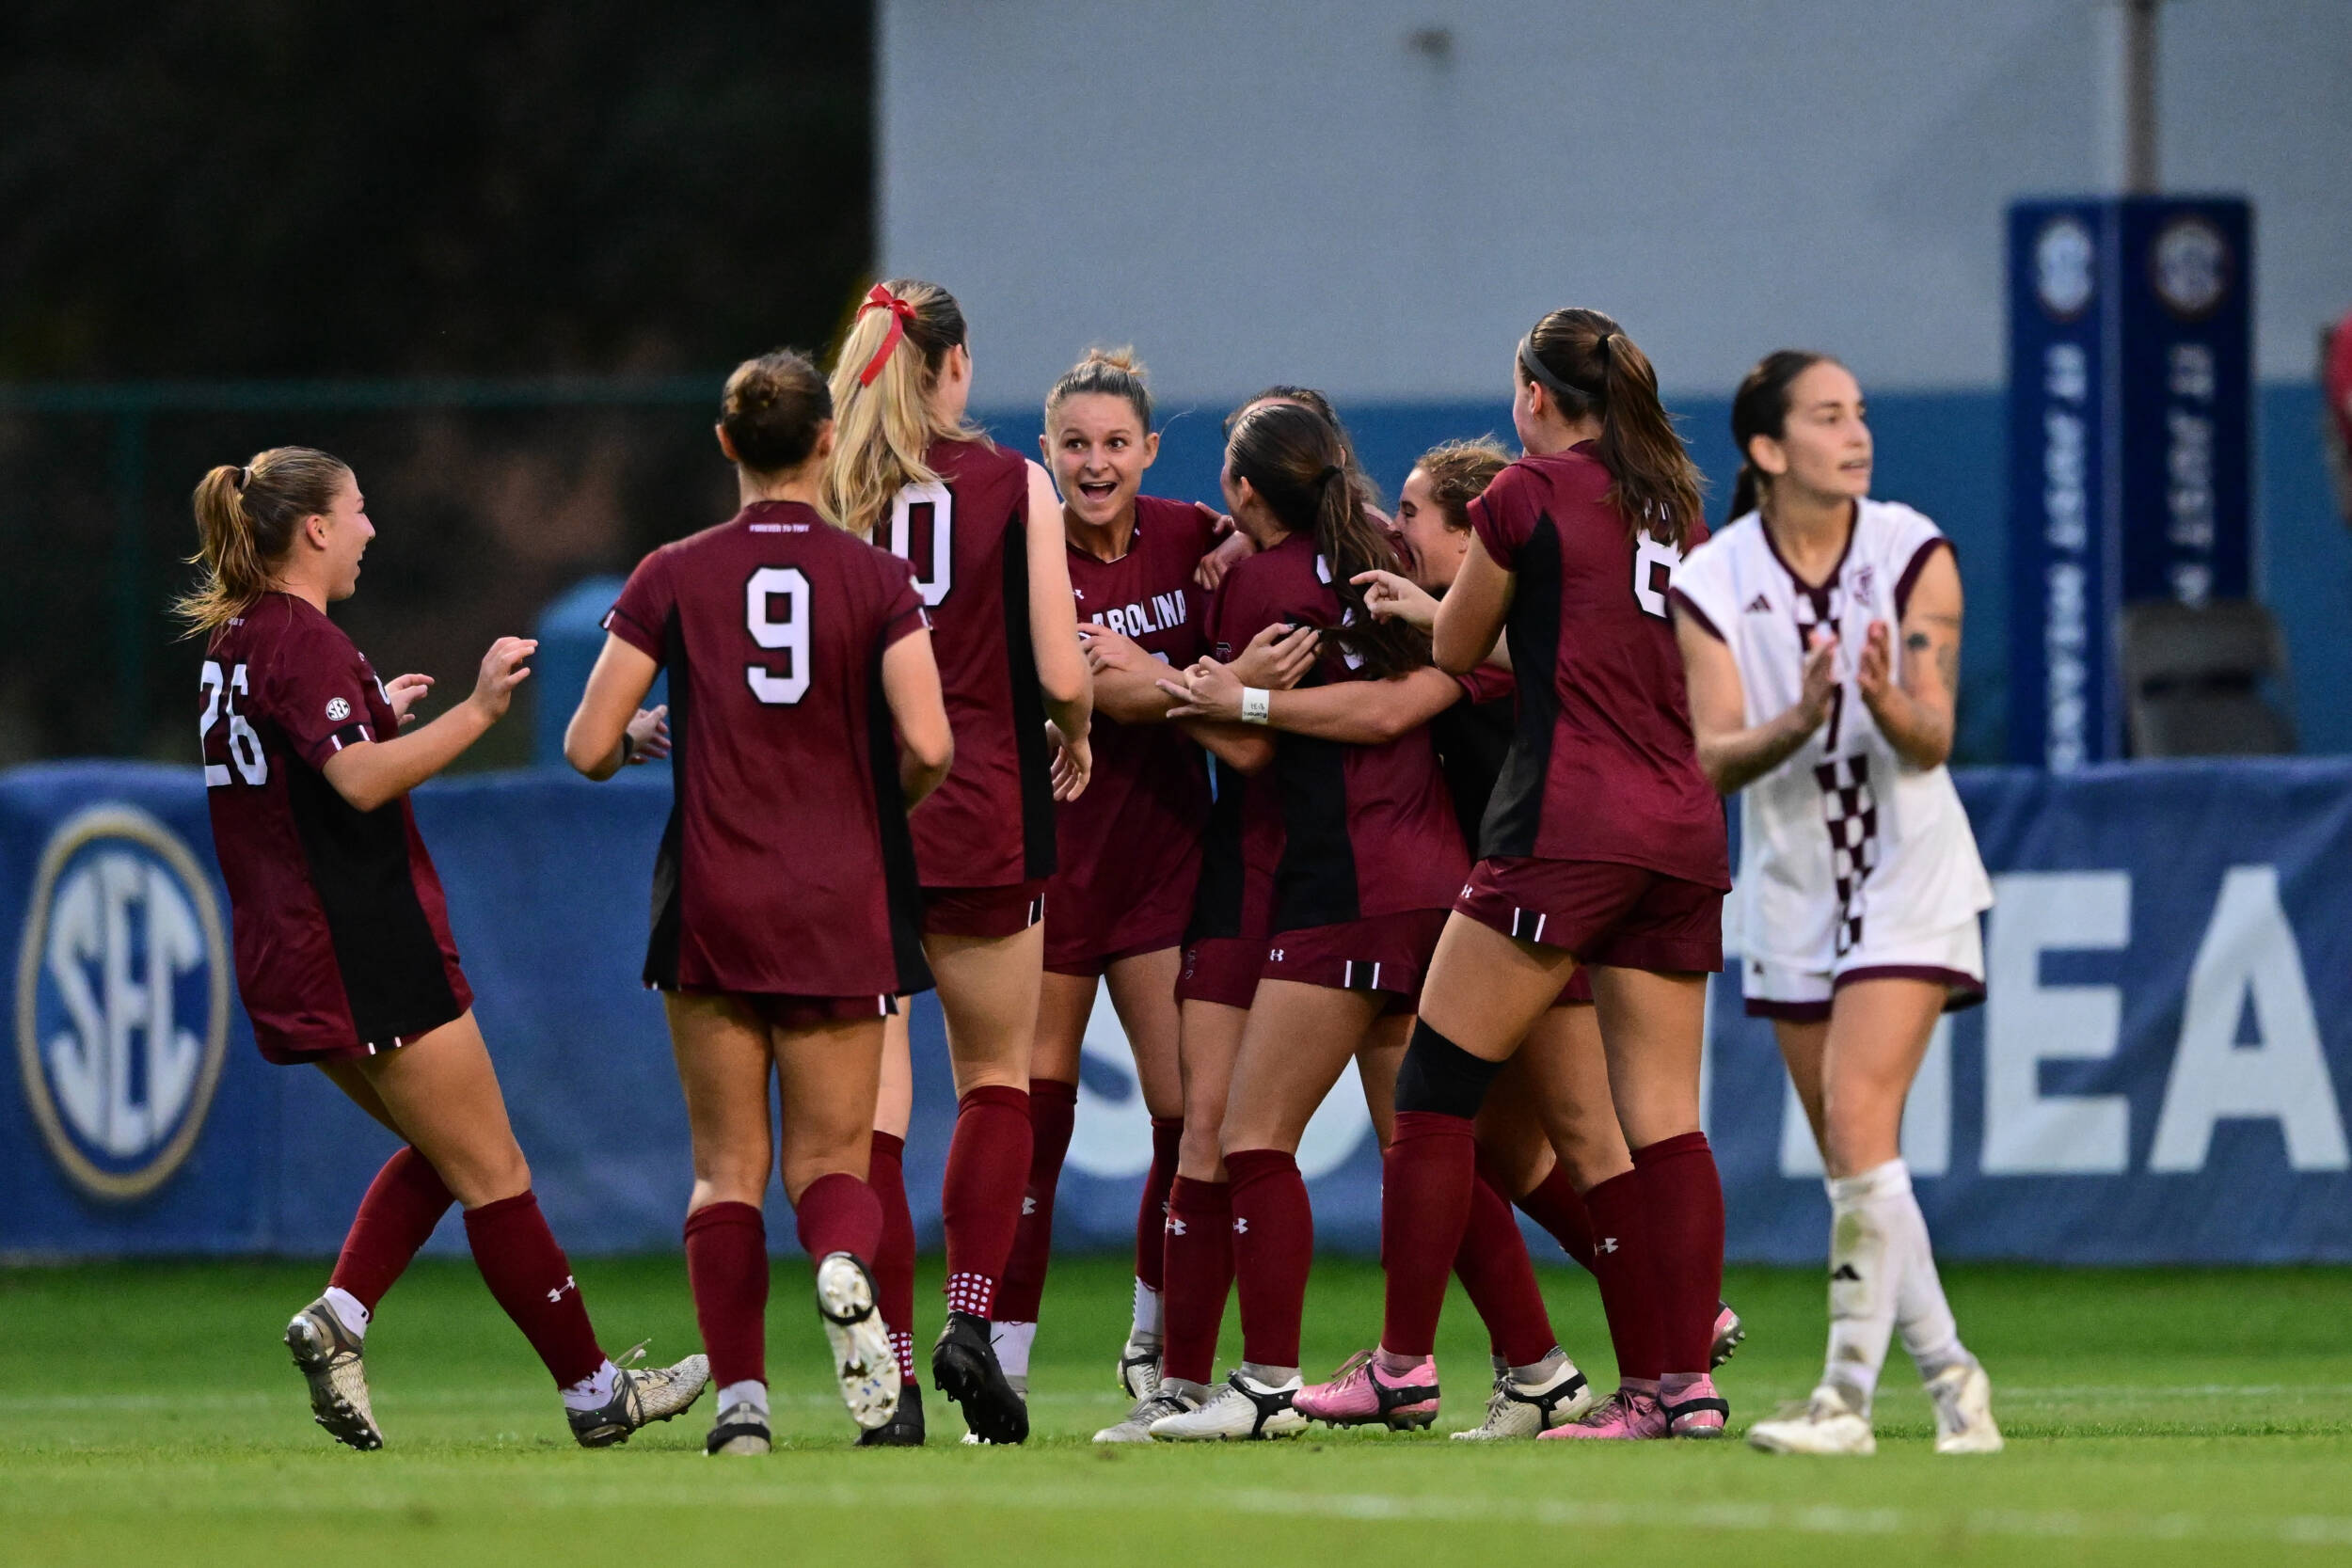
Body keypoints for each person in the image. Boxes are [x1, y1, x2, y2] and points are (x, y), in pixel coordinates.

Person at [179, 447, 707, 1452]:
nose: (371, 530)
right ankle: (595, 1391)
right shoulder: (304, 640)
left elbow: (314, 768)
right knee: (494, 1167)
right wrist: (476, 709)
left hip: (289, 949)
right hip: (361, 943)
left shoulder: (236, 640)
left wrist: (382, 714)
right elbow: (361, 783)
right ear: (317, 529)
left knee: (448, 1150)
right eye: (359, 510)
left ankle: (342, 1317)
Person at [1325, 308, 1734, 1442]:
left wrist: (1423, 611)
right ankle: (1675, 1388)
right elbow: (1619, 653)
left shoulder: (1520, 494)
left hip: (1563, 827)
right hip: (1682, 831)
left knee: (1433, 1093)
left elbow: (1458, 651)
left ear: (1534, 398)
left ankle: (1404, 1363)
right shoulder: (1673, 507)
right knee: (1664, 1125)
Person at [564, 351, 952, 1454]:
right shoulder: (876, 579)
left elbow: (587, 743)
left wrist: (644, 739)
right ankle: (839, 1263)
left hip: (713, 900)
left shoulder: (671, 571)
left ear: (727, 443)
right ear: (827, 440)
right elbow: (928, 742)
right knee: (832, 1165)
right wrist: (871, 798)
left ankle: (741, 1407)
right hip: (840, 897)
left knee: (723, 1168)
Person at [1670, 351, 2000, 1456]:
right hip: (1794, 888)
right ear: (1767, 450)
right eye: (1827, 416)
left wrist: (1885, 698)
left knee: (1861, 1124)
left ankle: (1844, 1402)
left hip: (1908, 869)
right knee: (1859, 1163)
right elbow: (1717, 757)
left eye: (1859, 412)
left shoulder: (1912, 550)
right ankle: (1955, 1380)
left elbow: (1932, 737)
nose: (1855, 432)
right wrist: (1803, 715)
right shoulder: (1712, 580)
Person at [1139, 399, 1470, 1442]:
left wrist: (1213, 694)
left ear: (1245, 489)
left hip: (1344, 883)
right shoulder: (1388, 547)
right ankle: (1541, 1362)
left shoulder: (1259, 579)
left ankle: (1266, 1381)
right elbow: (1428, 680)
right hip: (1439, 874)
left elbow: (1250, 750)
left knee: (1247, 1133)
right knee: (1446, 1139)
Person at [823, 279, 1092, 1446]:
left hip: (859, 821)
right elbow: (1062, 668)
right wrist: (1074, 734)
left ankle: (887, 1370)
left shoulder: (830, 488)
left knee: (871, 1115)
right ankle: (970, 1315)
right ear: (955, 367)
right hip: (984, 805)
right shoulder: (1011, 483)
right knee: (997, 1079)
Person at [984, 347, 1233, 1408]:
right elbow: (1098, 692)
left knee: (1184, 1120)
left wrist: (1226, 575)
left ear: (1150, 452)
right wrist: (1185, 687)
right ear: (1044, 452)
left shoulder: (1193, 536)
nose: (1095, 463)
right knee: (1037, 1128)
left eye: (1114, 443)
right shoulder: (1020, 546)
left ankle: (1151, 1341)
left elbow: (1237, 655)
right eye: (1075, 443)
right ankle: (999, 1363)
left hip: (1163, 862)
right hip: (1050, 866)